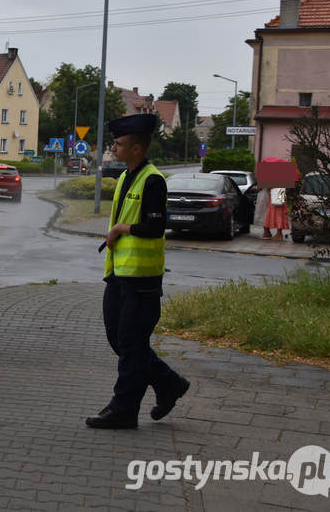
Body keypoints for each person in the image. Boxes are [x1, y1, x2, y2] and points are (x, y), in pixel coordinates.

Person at [86, 113, 189, 429]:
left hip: (142, 281)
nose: (113, 149)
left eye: (118, 144)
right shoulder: (126, 177)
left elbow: (156, 226)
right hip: (119, 275)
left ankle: (123, 409)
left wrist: (122, 228)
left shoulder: (153, 180)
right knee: (121, 341)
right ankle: (168, 382)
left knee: (131, 345)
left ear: (136, 148)